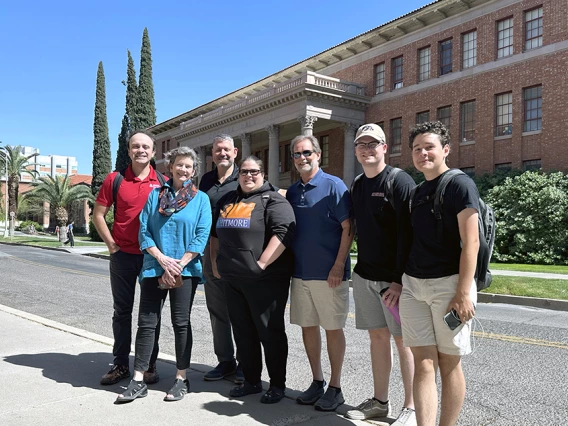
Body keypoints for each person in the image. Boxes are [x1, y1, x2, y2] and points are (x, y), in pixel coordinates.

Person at [116, 147, 211, 403]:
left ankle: (181, 378)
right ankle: (138, 379)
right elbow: (144, 232)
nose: (183, 169)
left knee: (181, 323)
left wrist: (179, 263)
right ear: (170, 167)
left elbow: (201, 236)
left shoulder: (201, 199)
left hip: (185, 269)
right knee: (147, 324)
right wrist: (161, 259)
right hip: (154, 267)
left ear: (194, 170)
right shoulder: (155, 196)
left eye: (189, 166)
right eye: (179, 164)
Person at [400, 121, 478, 426]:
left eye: (429, 147)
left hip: (449, 286)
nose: (423, 153)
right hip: (413, 286)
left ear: (445, 149)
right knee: (423, 364)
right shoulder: (418, 191)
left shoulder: (460, 185)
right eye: (417, 149)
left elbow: (472, 242)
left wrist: (462, 292)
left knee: (449, 364)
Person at [345, 123, 417, 425]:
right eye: (361, 144)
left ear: (385, 148)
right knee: (377, 338)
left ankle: (412, 408)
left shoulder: (400, 182)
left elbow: (411, 235)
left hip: (394, 282)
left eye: (373, 144)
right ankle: (380, 402)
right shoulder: (359, 183)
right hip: (365, 276)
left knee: (405, 343)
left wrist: (399, 281)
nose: (367, 148)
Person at [210, 155, 295, 404]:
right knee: (243, 332)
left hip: (265, 279)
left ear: (263, 174)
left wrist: (262, 264)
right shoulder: (227, 200)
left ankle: (277, 385)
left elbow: (283, 233)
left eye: (254, 171)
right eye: (244, 172)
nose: (249, 176)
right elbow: (216, 233)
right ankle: (251, 381)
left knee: (270, 333)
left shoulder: (274, 200)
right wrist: (215, 261)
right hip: (233, 278)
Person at [286, 135, 353, 412]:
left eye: (307, 152)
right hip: (300, 274)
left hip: (330, 275)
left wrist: (338, 265)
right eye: (297, 154)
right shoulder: (292, 192)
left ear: (318, 155)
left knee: (333, 328)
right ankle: (317, 381)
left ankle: (335, 387)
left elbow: (349, 228)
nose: (303, 157)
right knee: (308, 327)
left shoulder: (334, 186)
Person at [93, 131, 166, 386]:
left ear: (153, 152)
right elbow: (98, 214)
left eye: (146, 146)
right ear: (129, 150)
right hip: (123, 256)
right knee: (121, 312)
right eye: (136, 146)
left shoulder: (164, 182)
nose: (141, 150)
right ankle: (121, 365)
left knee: (151, 314)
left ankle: (148, 365)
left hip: (152, 258)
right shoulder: (115, 179)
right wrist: (111, 245)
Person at [198, 134, 243, 383]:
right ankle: (225, 361)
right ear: (212, 154)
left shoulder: (243, 176)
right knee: (217, 308)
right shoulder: (206, 180)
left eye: (226, 150)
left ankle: (245, 364)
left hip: (237, 252)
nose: (222, 154)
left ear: (235, 152)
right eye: (217, 150)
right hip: (210, 251)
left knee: (241, 310)